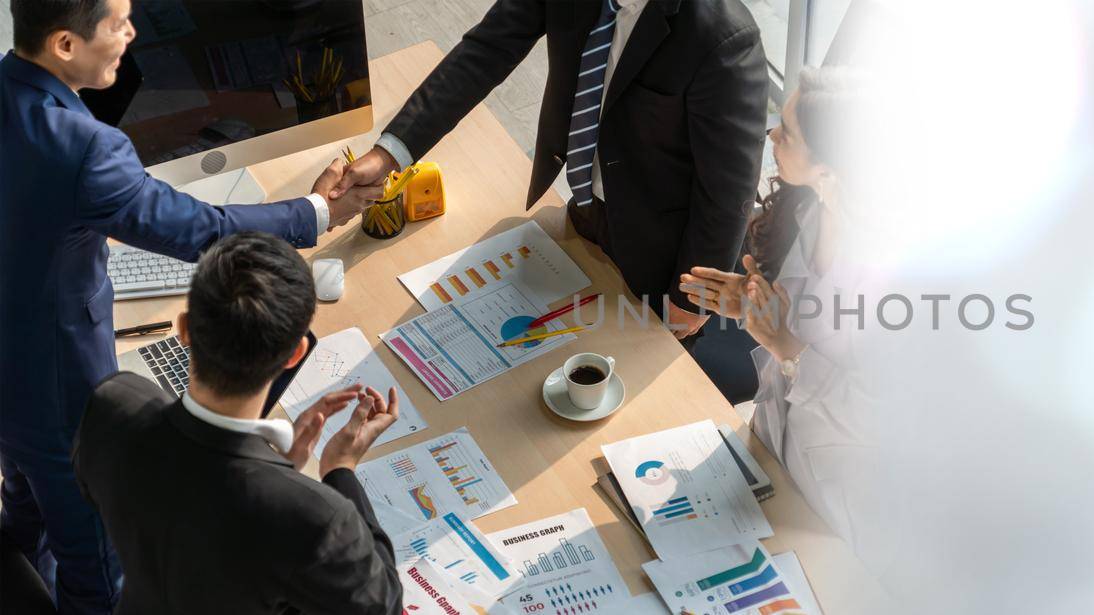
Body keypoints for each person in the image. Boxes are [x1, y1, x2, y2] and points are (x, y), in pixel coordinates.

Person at [0, 1, 376, 611]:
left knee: (23, 506)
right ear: (65, 44)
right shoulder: (84, 149)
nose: (133, 32)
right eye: (118, 23)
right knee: (94, 567)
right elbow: (201, 228)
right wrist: (317, 212)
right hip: (55, 387)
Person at [333, 0, 768, 339]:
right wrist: (390, 154)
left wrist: (691, 299)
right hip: (582, 206)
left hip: (664, 254)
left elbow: (728, 192)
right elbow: (486, 50)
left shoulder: (724, 38)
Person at [74, 233, 405, 614]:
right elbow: (382, 606)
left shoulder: (113, 403)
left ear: (184, 328)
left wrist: (277, 470)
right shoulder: (317, 519)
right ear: (296, 353)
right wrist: (340, 470)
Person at [677, 67, 879, 550]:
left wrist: (786, 346)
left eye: (786, 133)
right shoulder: (810, 206)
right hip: (770, 445)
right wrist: (750, 296)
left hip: (833, 500)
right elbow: (804, 313)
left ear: (829, 168)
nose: (771, 135)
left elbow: (885, 413)